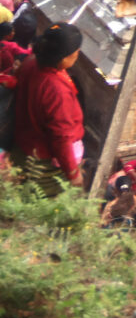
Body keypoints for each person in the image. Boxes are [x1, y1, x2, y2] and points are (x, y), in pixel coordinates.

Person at [12, 22, 85, 194]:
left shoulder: (31, 62)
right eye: (75, 50)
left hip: (24, 145)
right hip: (44, 160)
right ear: (62, 57)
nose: (77, 53)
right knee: (45, 202)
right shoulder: (56, 90)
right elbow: (60, 137)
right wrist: (73, 174)